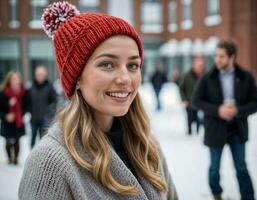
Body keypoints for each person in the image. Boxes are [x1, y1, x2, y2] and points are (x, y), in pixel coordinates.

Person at [19, 2, 178, 200]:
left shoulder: (146, 145)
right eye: (107, 64)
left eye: (133, 65)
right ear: (76, 78)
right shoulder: (49, 163)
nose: (125, 78)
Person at [192, 40, 257, 200]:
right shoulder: (207, 77)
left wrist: (238, 111)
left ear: (232, 57)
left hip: (238, 129)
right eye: (216, 55)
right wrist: (218, 110)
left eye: (222, 56)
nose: (217, 59)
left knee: (241, 167)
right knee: (214, 168)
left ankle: (248, 197)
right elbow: (195, 101)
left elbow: (255, 102)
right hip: (215, 129)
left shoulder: (245, 77)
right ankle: (217, 194)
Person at [0, 71, 30, 164]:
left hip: (18, 120)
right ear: (9, 80)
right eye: (14, 78)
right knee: (8, 142)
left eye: (17, 78)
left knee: (17, 141)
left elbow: (28, 106)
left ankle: (15, 159)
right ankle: (9, 159)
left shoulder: (24, 92)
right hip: (7, 122)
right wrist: (6, 116)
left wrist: (20, 114)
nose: (16, 80)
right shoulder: (3, 93)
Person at [29, 65, 57, 148]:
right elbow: (27, 102)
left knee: (43, 139)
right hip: (34, 118)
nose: (40, 76)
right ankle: (31, 152)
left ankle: (41, 154)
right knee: (33, 137)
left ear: (45, 75)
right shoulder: (31, 88)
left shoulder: (50, 87)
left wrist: (49, 114)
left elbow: (54, 102)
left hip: (45, 119)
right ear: (35, 75)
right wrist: (30, 111)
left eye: (42, 74)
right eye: (38, 74)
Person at [179, 55, 205, 135]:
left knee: (197, 117)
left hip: (199, 101)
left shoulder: (204, 75)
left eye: (201, 66)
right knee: (190, 117)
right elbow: (181, 88)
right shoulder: (186, 75)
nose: (200, 68)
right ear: (194, 66)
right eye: (198, 66)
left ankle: (197, 131)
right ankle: (190, 131)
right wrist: (184, 99)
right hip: (189, 101)